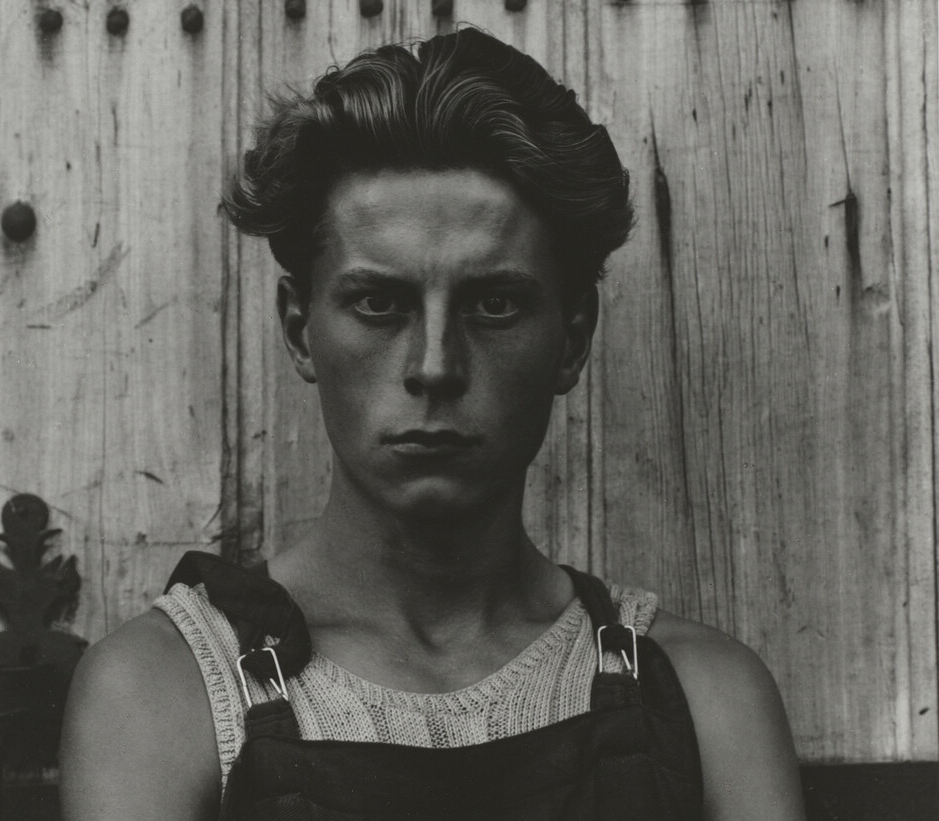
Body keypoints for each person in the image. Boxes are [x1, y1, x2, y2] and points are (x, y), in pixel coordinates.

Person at [59, 28, 804, 820]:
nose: (435, 365)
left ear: (572, 338)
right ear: (299, 328)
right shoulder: (163, 692)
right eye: (378, 303)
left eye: (495, 304)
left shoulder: (704, 695)